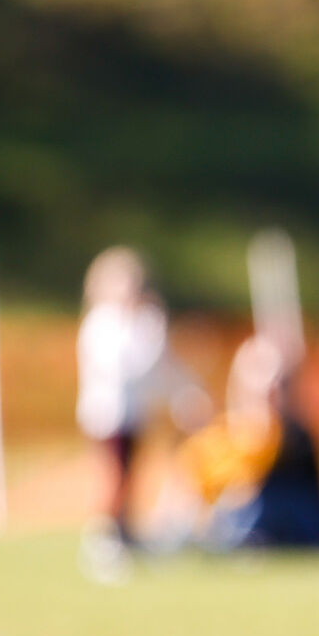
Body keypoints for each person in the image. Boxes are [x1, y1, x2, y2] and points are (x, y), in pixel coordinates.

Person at [75, 246, 205, 577]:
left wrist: (185, 396)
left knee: (131, 475)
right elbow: (126, 368)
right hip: (107, 415)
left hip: (135, 413)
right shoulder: (101, 324)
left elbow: (161, 368)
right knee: (114, 476)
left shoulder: (144, 323)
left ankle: (124, 534)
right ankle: (106, 538)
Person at [177, 335, 319, 551]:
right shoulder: (227, 432)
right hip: (242, 524)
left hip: (294, 526)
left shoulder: (295, 436)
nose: (269, 387)